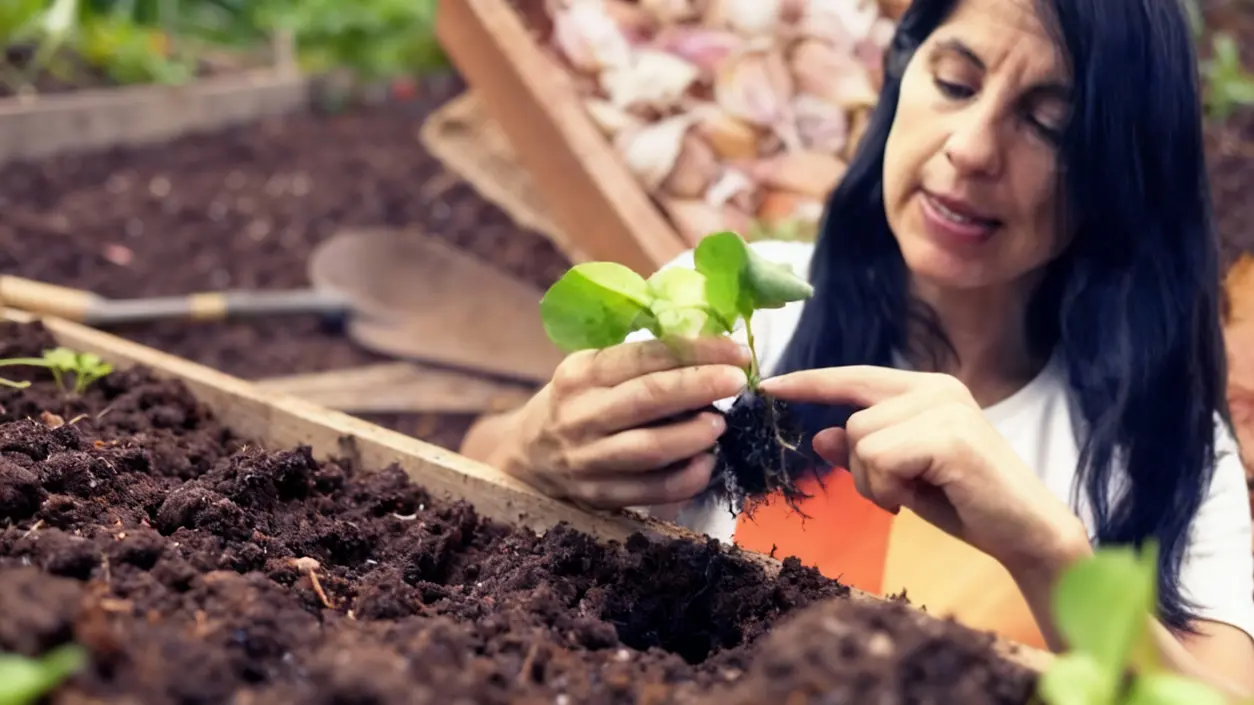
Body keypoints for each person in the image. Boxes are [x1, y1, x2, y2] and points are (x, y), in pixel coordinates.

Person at [461, 0, 1254, 694]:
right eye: (955, 82)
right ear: (901, 75)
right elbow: (467, 487)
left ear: (1122, 170)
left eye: (1050, 122)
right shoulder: (741, 316)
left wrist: (1048, 552)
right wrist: (532, 449)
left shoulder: (1161, 439)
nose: (972, 148)